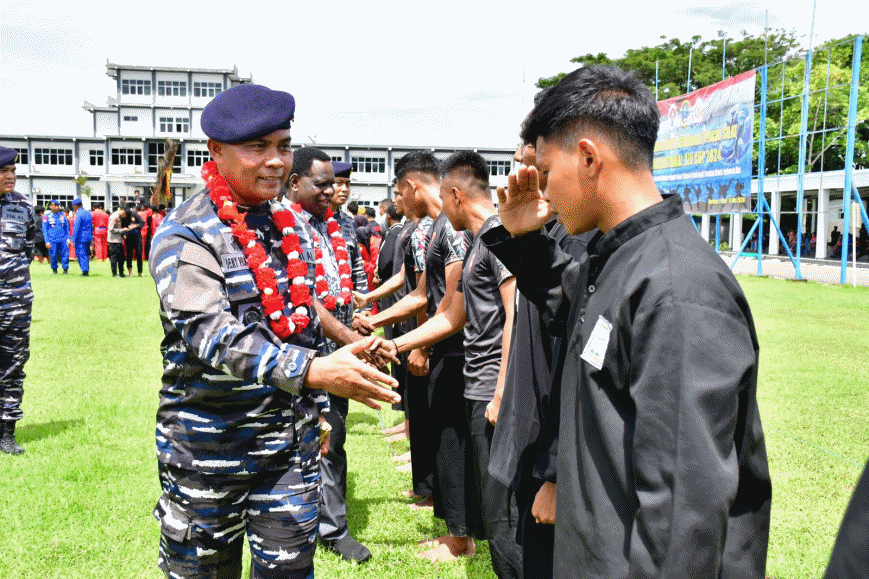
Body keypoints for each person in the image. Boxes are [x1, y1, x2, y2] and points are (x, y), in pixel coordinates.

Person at [484, 65, 772, 578]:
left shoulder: (678, 290)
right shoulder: (617, 259)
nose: (542, 193)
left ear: (590, 159)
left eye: (546, 173)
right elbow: (570, 311)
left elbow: (685, 508)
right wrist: (526, 241)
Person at [149, 84, 399, 579]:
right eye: (256, 148)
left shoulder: (293, 227)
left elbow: (302, 320)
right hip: (208, 454)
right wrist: (314, 371)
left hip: (288, 452)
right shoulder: (187, 232)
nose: (275, 162)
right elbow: (210, 333)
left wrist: (320, 410)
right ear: (215, 152)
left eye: (283, 146)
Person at [385, 151, 522, 576]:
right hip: (476, 384)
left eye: (444, 199)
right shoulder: (482, 240)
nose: (440, 209)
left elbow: (514, 311)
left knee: (505, 515)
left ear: (456, 195)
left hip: (491, 390)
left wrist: (502, 391)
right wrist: (398, 345)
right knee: (492, 506)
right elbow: (453, 313)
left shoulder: (499, 237)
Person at [358, 152, 484, 562]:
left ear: (414, 186)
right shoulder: (438, 227)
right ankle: (455, 529)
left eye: (399, 193)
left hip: (457, 349)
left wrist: (413, 344)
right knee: (445, 437)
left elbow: (451, 303)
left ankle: (462, 539)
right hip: (439, 343)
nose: (398, 202)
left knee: (453, 440)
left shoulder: (455, 230)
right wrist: (384, 326)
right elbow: (419, 294)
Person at [286, 149, 374, 564]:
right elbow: (306, 299)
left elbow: (342, 286)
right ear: (294, 184)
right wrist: (347, 338)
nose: (332, 191)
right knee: (305, 437)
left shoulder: (332, 225)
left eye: (334, 183)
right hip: (302, 353)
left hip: (334, 347)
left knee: (331, 436)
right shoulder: (285, 227)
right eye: (321, 184)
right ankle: (312, 525)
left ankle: (330, 526)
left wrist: (355, 321)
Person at [0, 147, 35, 455]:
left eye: (12, 171)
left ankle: (7, 432)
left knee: (13, 365)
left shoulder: (23, 206)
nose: (10, 176)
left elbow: (27, 247)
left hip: (15, 302)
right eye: (3, 172)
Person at [42, 199, 70, 274]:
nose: (57, 207)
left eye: (58, 206)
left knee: (65, 254)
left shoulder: (62, 215)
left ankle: (65, 269)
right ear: (51, 206)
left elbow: (66, 227)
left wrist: (68, 238)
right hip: (52, 239)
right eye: (55, 206)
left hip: (63, 239)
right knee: (53, 255)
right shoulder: (47, 216)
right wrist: (47, 241)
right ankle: (54, 270)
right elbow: (45, 230)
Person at [70, 198, 93, 276]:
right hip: (88, 236)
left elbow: (76, 227)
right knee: (86, 254)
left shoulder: (78, 214)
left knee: (81, 254)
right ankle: (86, 269)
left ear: (75, 205)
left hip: (80, 237)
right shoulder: (88, 213)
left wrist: (73, 239)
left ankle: (85, 271)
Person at [121, 205, 145, 276]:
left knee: (139, 253)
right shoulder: (123, 217)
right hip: (128, 237)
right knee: (129, 254)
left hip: (137, 236)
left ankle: (140, 272)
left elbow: (142, 223)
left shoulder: (134, 214)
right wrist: (124, 234)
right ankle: (130, 272)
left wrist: (135, 226)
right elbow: (122, 226)